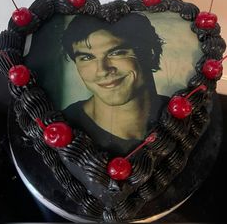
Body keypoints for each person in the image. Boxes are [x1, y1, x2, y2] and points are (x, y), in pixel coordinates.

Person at [62, 12, 168, 155]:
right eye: (87, 57)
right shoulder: (64, 126)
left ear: (150, 53)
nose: (102, 71)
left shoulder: (182, 112)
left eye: (116, 52)